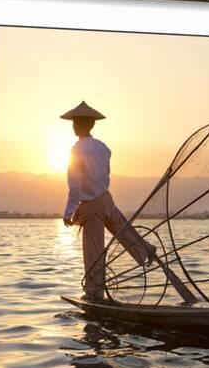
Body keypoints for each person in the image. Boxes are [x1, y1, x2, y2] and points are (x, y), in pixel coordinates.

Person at [61, 101, 156, 301]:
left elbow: (75, 185)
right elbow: (106, 174)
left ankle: (94, 294)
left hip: (92, 205)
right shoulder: (103, 147)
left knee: (94, 252)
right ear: (92, 125)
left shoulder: (77, 150)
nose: (74, 127)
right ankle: (145, 249)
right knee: (125, 232)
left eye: (75, 123)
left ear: (77, 125)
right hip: (106, 200)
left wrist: (68, 212)